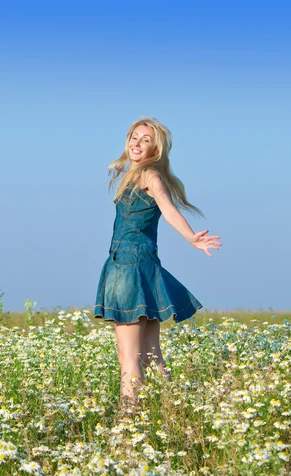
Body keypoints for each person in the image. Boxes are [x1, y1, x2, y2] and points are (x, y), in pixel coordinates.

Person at [94, 116, 222, 411]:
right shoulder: (134, 175)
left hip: (129, 269)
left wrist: (192, 237)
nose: (137, 144)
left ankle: (129, 423)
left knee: (129, 357)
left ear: (156, 150)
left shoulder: (149, 177)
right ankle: (172, 413)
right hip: (143, 267)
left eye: (145, 140)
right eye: (134, 137)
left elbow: (168, 208)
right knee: (151, 353)